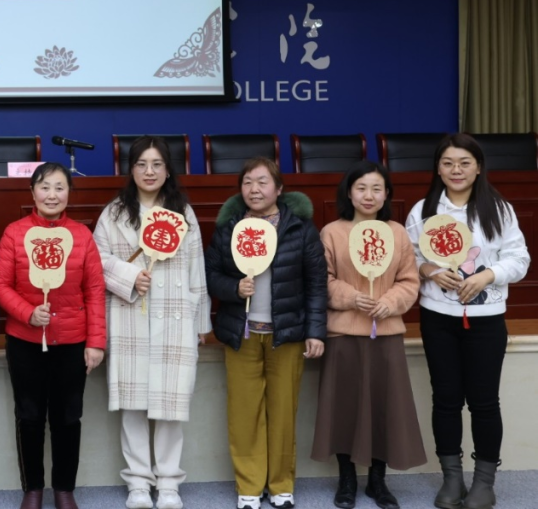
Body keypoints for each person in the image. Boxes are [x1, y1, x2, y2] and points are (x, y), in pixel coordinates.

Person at [405, 133, 529, 509]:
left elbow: (519, 259)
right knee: (445, 400)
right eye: (448, 163)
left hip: (486, 320)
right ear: (438, 169)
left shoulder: (498, 209)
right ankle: (452, 479)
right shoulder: (423, 211)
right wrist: (429, 269)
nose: (456, 170)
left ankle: (484, 483)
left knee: (484, 402)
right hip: (438, 318)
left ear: (478, 168)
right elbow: (407, 257)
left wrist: (487, 275)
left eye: (464, 163)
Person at [93, 135, 211, 509]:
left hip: (174, 318)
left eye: (157, 164)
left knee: (171, 405)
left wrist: (201, 322)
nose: (149, 171)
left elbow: (196, 268)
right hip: (129, 316)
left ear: (168, 170)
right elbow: (96, 261)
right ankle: (139, 483)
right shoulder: (113, 213)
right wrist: (129, 277)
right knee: (133, 405)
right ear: (131, 170)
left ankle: (170, 483)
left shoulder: (183, 213)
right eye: (142, 164)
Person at [205, 157, 327, 509]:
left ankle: (281, 485)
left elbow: (316, 284)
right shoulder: (230, 227)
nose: (254, 189)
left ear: (279, 188)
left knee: (283, 411)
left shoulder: (299, 228)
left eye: (262, 182)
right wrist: (233, 289)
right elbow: (211, 275)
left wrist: (315, 331)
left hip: (286, 334)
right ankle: (249, 485)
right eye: (247, 182)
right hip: (241, 332)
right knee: (244, 413)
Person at [0, 162, 106, 509]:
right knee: (29, 416)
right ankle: (33, 489)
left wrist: (96, 342)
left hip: (71, 343)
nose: (52, 195)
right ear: (32, 192)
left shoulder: (82, 236)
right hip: (25, 342)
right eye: (44, 187)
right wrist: (27, 312)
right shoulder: (15, 233)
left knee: (68, 417)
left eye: (59, 187)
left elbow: (95, 291)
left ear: (69, 192)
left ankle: (64, 489)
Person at [311, 161, 424, 509]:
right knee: (343, 407)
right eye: (361, 188)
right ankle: (347, 479)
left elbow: (409, 281)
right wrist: (350, 297)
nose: (369, 195)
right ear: (349, 192)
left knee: (384, 407)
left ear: (387, 194)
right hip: (344, 333)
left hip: (385, 333)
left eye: (377, 188)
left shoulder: (397, 233)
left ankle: (378, 480)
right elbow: (323, 279)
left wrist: (389, 303)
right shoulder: (332, 232)